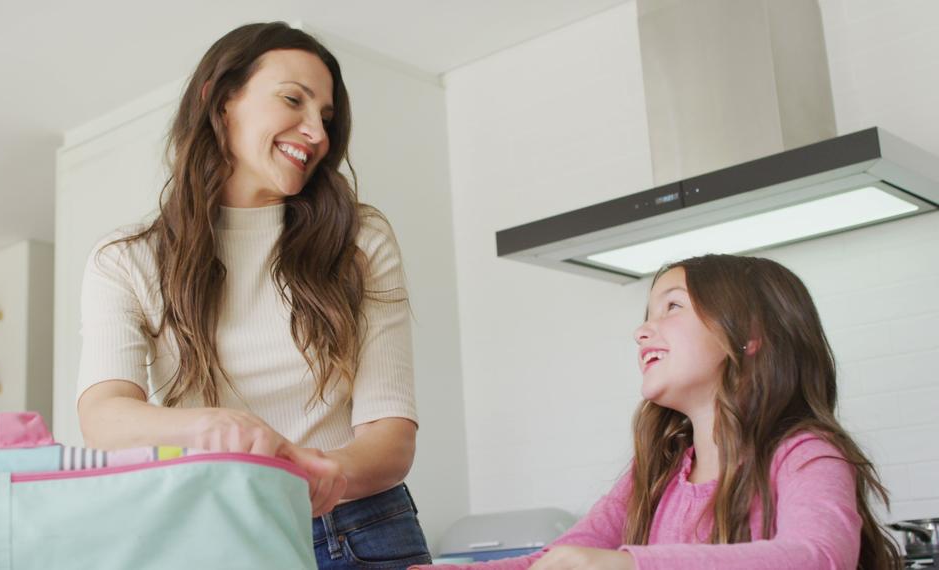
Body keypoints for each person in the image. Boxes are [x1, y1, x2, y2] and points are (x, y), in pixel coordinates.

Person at [74, 22, 431, 569]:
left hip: (358, 527)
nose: (316, 132)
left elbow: (390, 438)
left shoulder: (360, 241)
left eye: (327, 118)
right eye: (294, 100)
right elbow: (104, 416)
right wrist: (213, 427)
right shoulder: (125, 260)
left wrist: (313, 471)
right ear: (221, 101)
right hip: (211, 529)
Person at [428, 255, 901, 569]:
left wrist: (632, 563)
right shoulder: (655, 471)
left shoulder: (804, 454)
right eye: (648, 313)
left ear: (748, 334)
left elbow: (820, 556)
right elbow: (559, 561)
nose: (642, 330)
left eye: (671, 306)